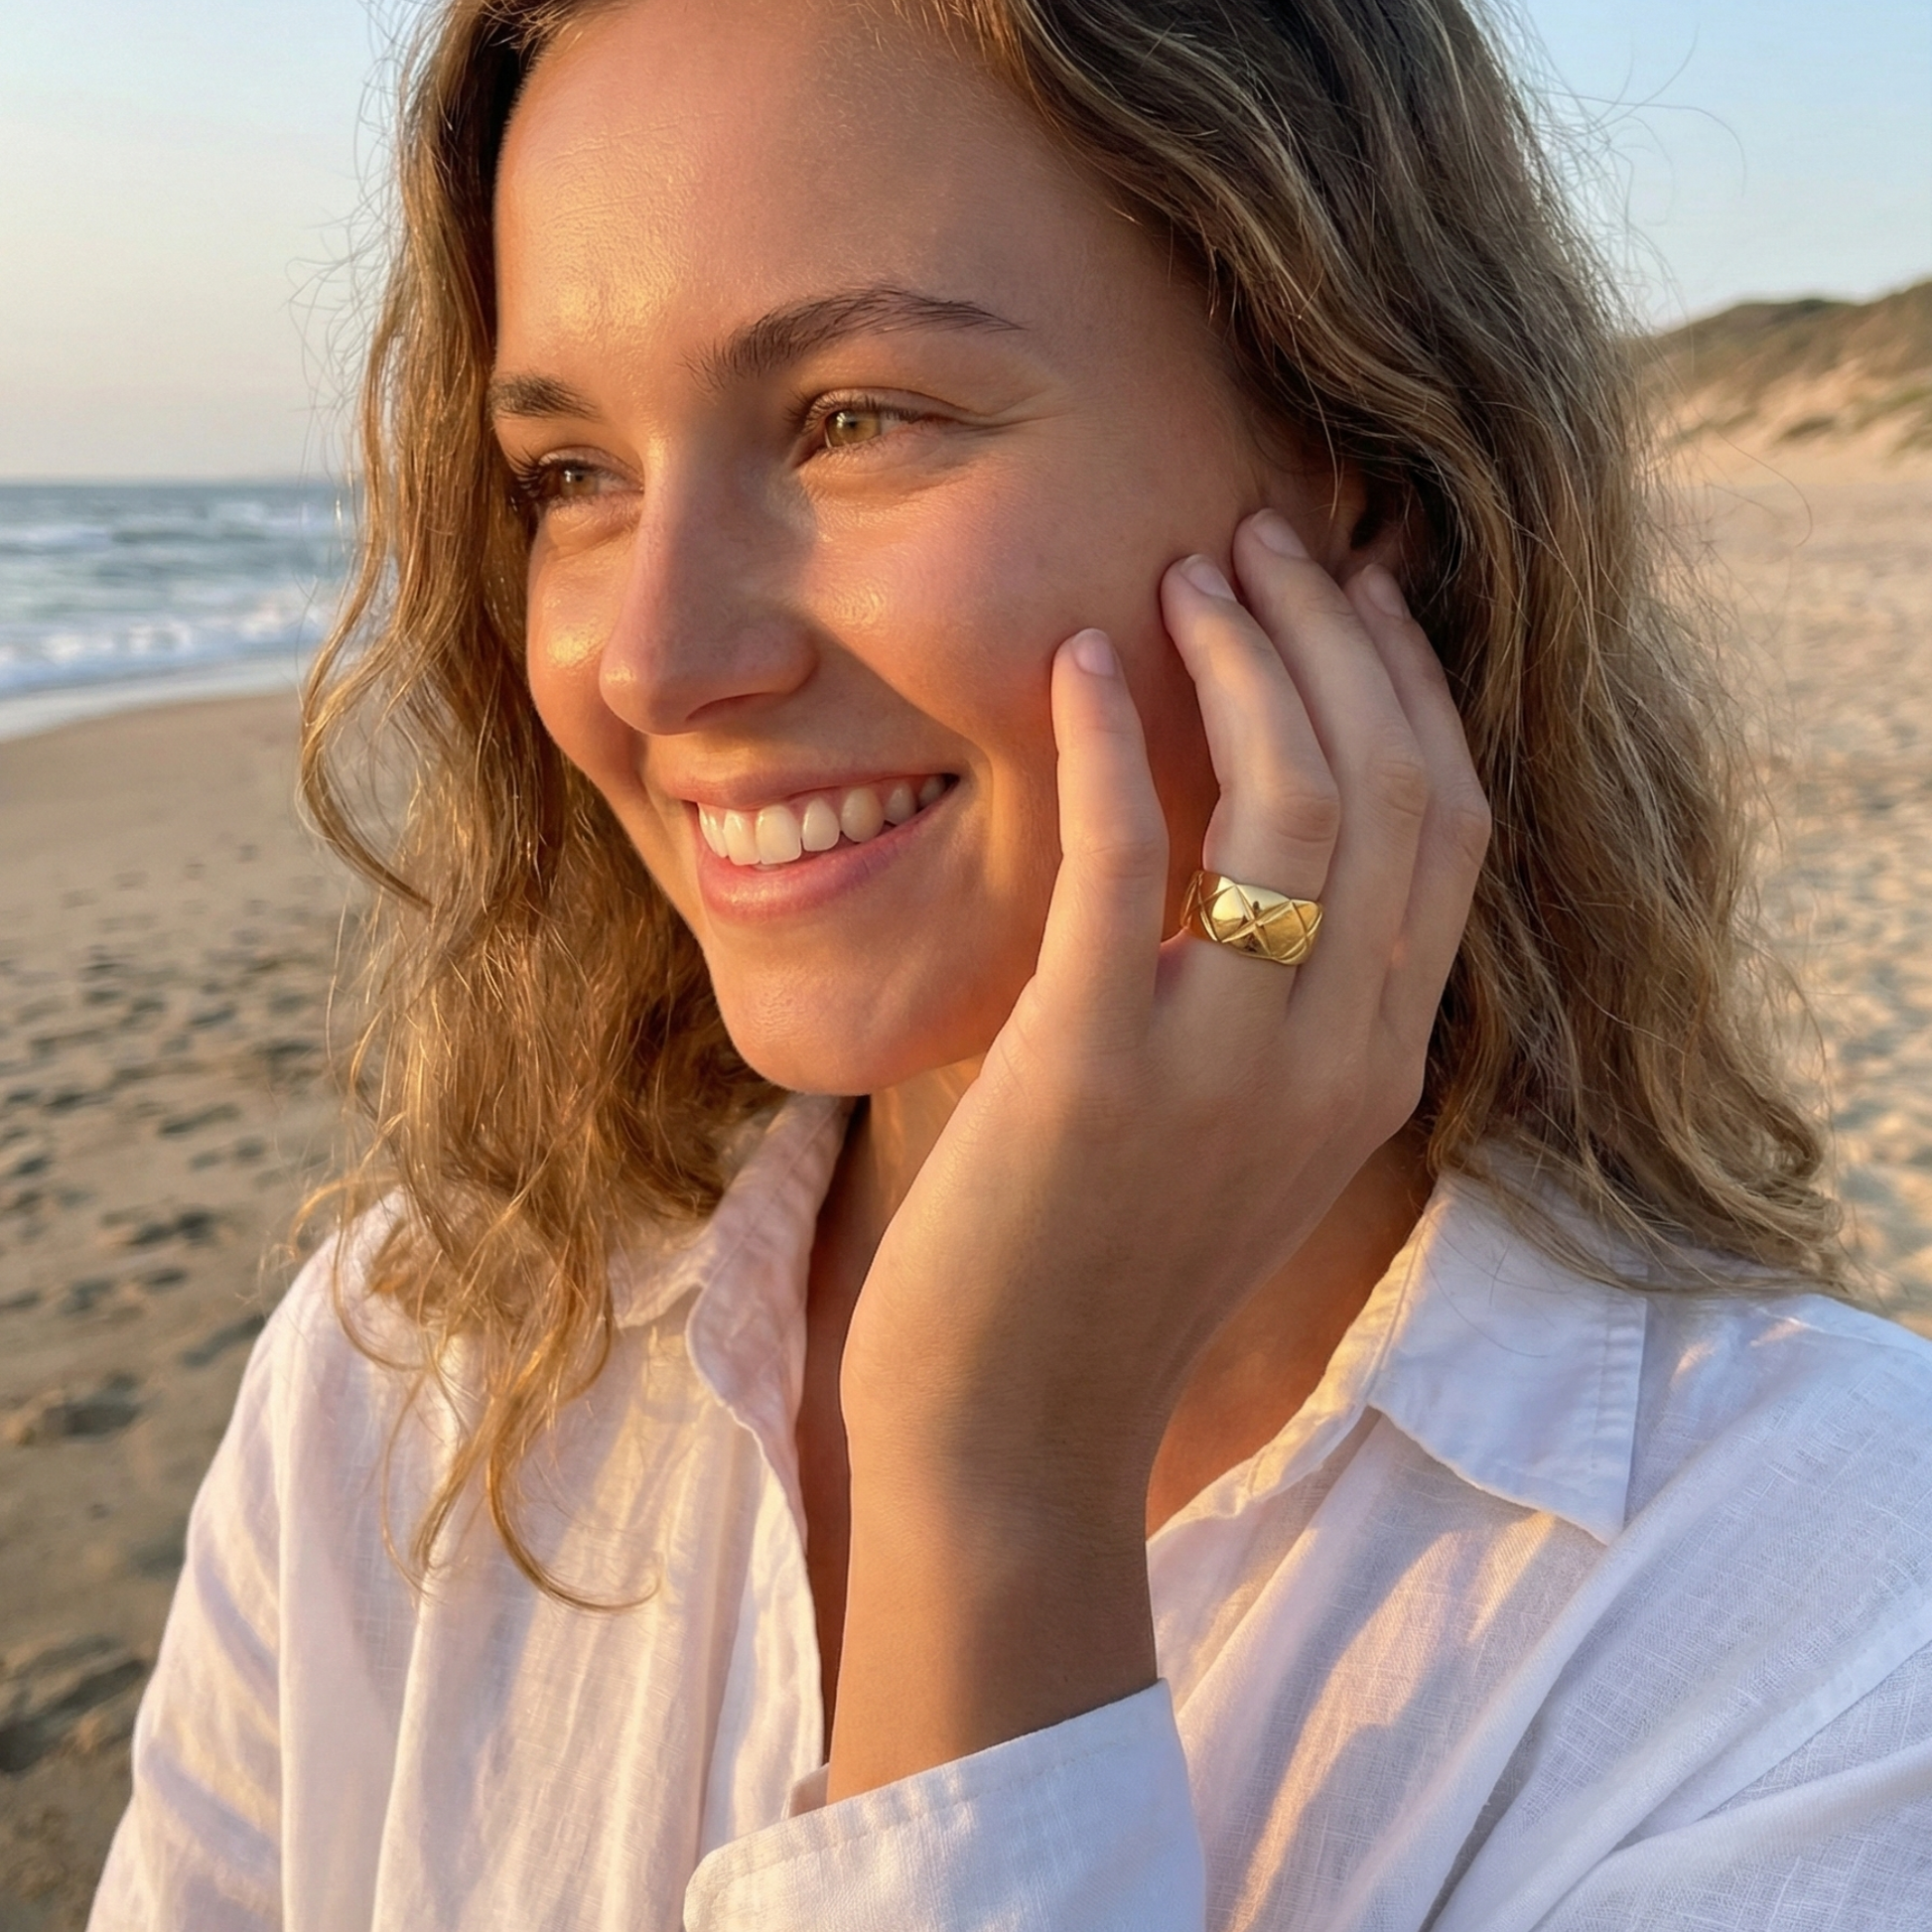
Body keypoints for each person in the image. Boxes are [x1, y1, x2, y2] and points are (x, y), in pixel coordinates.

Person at [91, 0, 1932, 1925]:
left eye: (853, 418)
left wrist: (997, 1486)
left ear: (1358, 471)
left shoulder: (1827, 1619)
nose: (649, 659)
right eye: (570, 472)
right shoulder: (417, 1362)